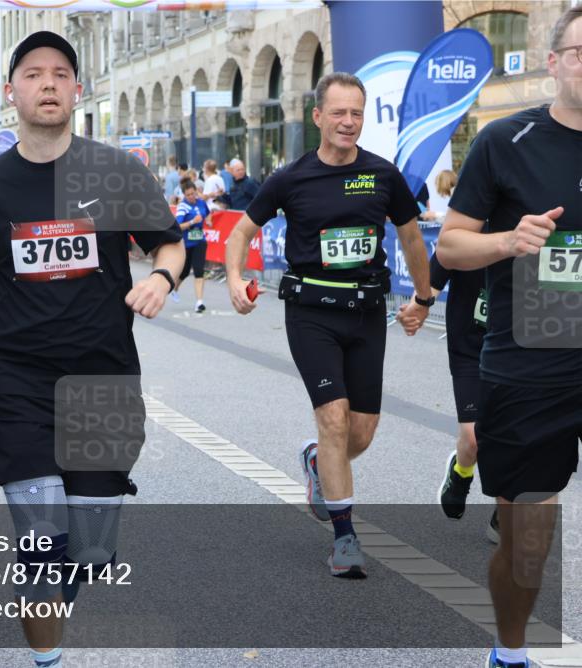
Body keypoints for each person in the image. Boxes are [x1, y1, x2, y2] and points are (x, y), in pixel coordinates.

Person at [0, 31, 184, 668]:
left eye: (60, 74)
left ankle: (65, 582)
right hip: (18, 380)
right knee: (41, 542)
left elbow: (172, 244)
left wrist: (160, 278)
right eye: (33, 73)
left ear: (78, 89)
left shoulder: (116, 171)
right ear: (11, 91)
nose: (48, 83)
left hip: (103, 379)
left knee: (93, 551)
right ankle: (46, 657)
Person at [225, 72, 433, 579]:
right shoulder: (290, 178)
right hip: (311, 314)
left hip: (367, 314)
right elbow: (242, 231)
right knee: (335, 417)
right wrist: (234, 277)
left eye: (356, 113)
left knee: (360, 431)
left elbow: (410, 241)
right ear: (317, 116)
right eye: (337, 112)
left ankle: (319, 463)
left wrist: (424, 299)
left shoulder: (383, 176)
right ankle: (344, 537)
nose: (347, 122)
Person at [436, 8, 582, 668]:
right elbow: (450, 245)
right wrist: (508, 240)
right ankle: (512, 648)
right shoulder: (505, 141)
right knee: (526, 538)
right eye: (581, 52)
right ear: (553, 63)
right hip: (533, 352)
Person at [172, 178, 211, 312]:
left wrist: (209, 221)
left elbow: (207, 214)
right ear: (184, 195)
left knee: (199, 271)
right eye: (188, 195)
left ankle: (199, 302)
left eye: (193, 193)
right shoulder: (182, 207)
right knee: (184, 271)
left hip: (200, 241)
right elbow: (178, 227)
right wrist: (192, 222)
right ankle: (174, 289)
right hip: (186, 243)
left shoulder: (201, 203)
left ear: (196, 192)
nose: (191, 197)